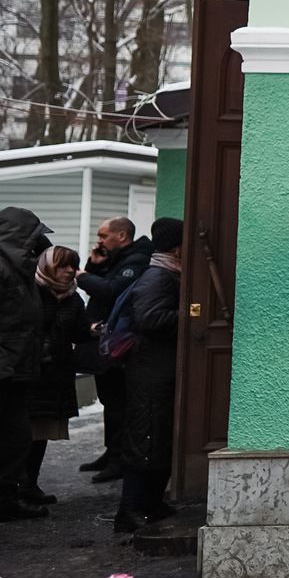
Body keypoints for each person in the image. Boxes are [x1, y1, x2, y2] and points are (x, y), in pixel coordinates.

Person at [0, 207, 52, 523]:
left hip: (14, 370)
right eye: (31, 236)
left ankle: (7, 502)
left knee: (16, 441)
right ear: (19, 235)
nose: (36, 243)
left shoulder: (15, 264)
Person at [115, 218, 183, 534]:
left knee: (156, 437)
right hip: (149, 371)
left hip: (156, 370)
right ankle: (130, 509)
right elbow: (150, 318)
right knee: (145, 437)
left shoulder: (167, 274)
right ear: (177, 247)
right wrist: (191, 314)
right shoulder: (159, 277)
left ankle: (151, 503)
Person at [77, 216, 152, 483]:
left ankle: (120, 458)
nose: (99, 241)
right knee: (110, 402)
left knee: (120, 403)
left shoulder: (136, 260)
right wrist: (94, 267)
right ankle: (111, 453)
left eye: (103, 235)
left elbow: (111, 291)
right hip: (106, 342)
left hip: (120, 344)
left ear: (121, 236)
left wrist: (82, 276)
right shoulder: (117, 258)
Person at [25, 246, 88, 507]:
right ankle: (9, 487)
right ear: (48, 266)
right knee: (22, 433)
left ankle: (29, 484)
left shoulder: (74, 299)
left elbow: (79, 333)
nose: (70, 271)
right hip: (31, 375)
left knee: (41, 433)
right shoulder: (31, 292)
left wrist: (92, 330)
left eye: (73, 265)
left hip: (58, 376)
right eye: (63, 265)